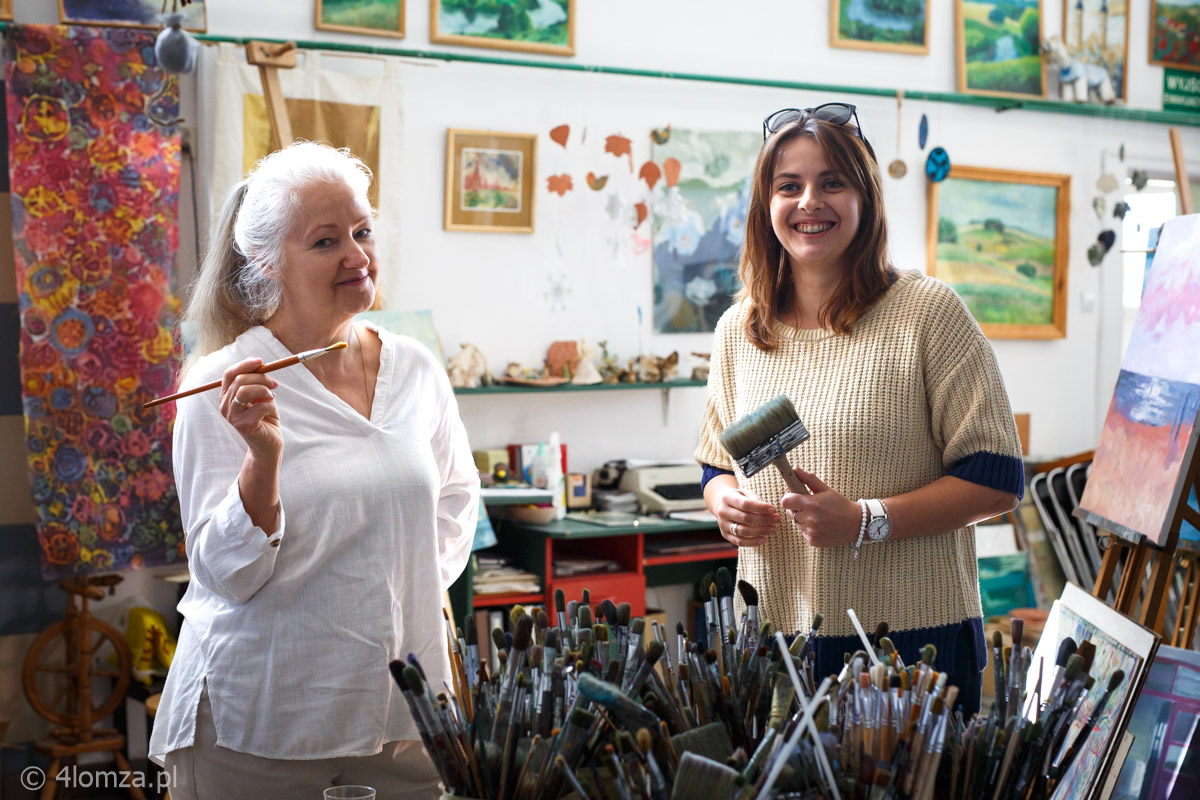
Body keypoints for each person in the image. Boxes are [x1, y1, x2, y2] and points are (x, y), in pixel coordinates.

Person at [149, 142, 480, 798]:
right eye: (327, 241)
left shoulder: (414, 367)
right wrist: (262, 458)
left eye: (362, 232)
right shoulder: (224, 383)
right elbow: (224, 575)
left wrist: (382, 596)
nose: (357, 256)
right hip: (261, 719)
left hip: (400, 711)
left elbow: (453, 504)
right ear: (269, 263)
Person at [695, 104, 1023, 715]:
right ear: (765, 206)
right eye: (788, 185)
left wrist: (866, 520)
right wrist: (725, 506)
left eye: (832, 183)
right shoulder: (739, 330)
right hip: (774, 640)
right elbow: (717, 464)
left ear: (865, 199)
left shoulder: (928, 314)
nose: (808, 202)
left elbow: (997, 482)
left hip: (910, 642)